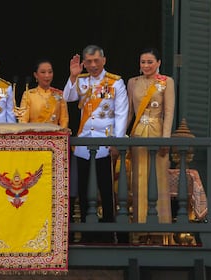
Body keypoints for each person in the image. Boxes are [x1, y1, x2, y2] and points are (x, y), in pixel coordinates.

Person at [63, 45, 129, 243]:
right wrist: (73, 76)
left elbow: (121, 112)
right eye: (89, 61)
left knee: (106, 190)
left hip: (105, 142)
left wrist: (117, 141)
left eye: (96, 61)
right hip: (84, 142)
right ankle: (86, 234)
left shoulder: (115, 83)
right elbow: (67, 97)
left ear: (104, 60)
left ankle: (110, 234)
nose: (92, 65)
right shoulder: (82, 81)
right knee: (83, 189)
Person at [127, 48, 175, 239]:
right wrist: (120, 135)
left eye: (150, 62)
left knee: (158, 180)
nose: (146, 66)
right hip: (138, 134)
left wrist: (166, 138)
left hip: (157, 132)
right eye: (143, 62)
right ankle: (138, 229)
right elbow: (129, 112)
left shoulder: (166, 82)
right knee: (138, 180)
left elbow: (169, 111)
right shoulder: (132, 82)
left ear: (158, 63)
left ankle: (160, 231)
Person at [18, 59, 69, 128]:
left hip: (54, 136)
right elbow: (23, 120)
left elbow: (64, 119)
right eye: (43, 72)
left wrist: (61, 135)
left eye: (50, 72)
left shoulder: (59, 94)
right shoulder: (28, 95)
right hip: (34, 136)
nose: (47, 75)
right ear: (36, 75)